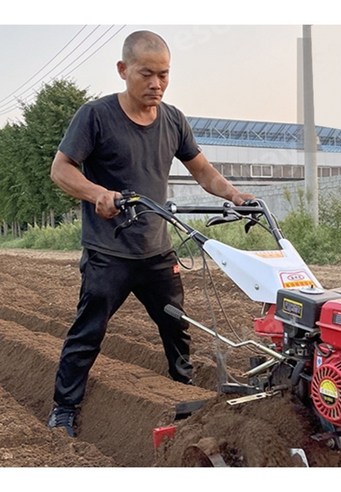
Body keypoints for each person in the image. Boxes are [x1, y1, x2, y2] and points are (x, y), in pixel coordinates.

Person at [47, 30, 255, 437]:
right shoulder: (96, 116)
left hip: (156, 251)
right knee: (89, 331)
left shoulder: (173, 119)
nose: (156, 84)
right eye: (147, 74)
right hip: (109, 251)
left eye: (164, 75)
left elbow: (202, 170)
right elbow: (62, 169)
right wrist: (97, 193)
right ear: (124, 70)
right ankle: (64, 407)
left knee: (175, 325)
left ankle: (180, 388)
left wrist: (233, 194)